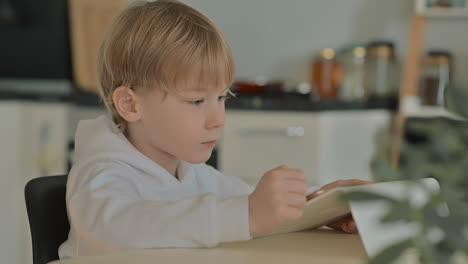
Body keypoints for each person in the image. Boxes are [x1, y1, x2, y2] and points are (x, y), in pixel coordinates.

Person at [59, 0, 369, 258]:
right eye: (196, 101)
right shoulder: (101, 175)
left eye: (220, 97)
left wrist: (323, 205)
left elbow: (257, 211)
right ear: (130, 104)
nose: (218, 118)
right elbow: (118, 230)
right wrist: (245, 214)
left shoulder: (195, 176)